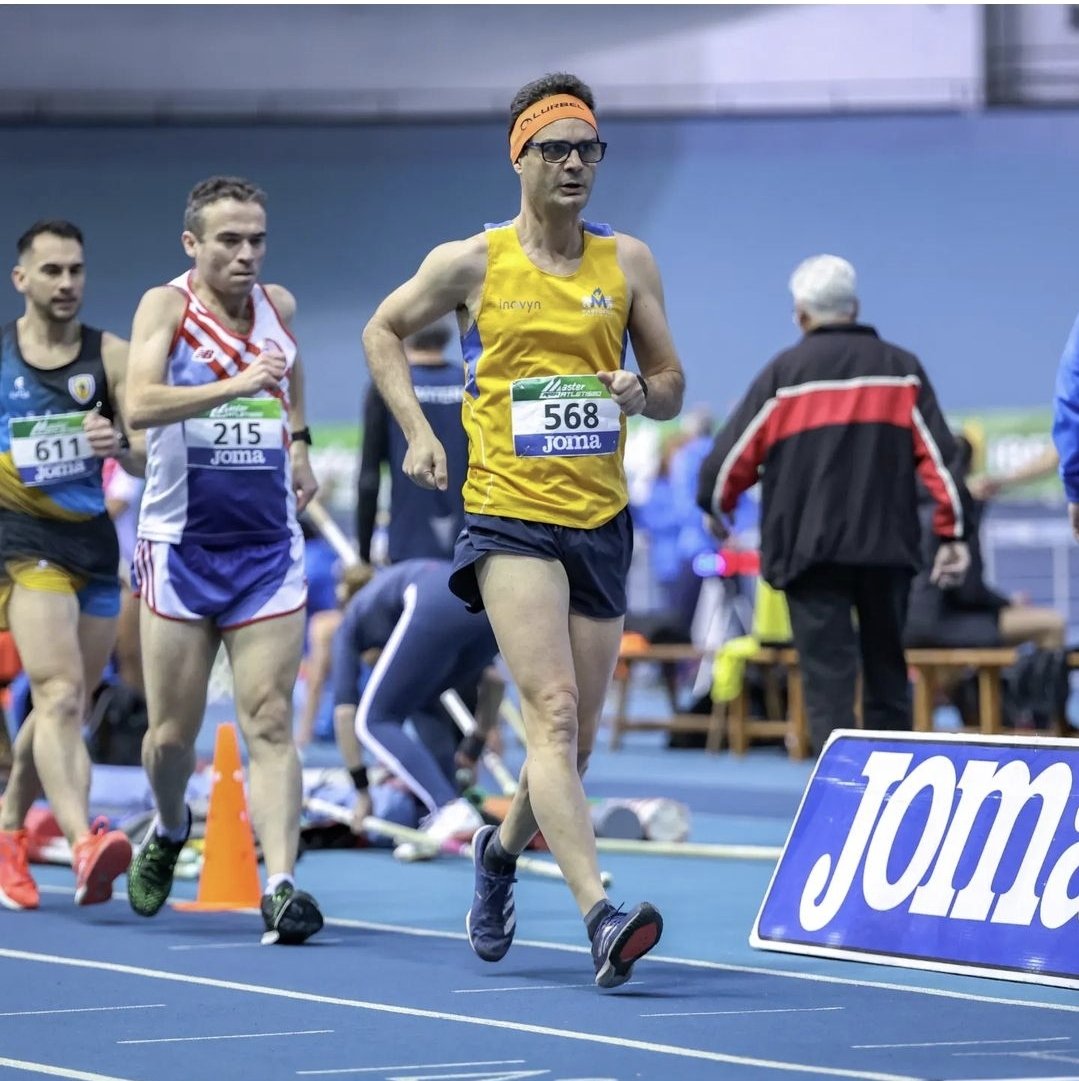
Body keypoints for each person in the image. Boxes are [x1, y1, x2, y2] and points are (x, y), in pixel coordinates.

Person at [362, 72, 685, 989]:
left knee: (572, 751)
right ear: (522, 158)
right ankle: (599, 916)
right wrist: (420, 433)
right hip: (508, 518)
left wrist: (638, 391)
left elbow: (671, 385)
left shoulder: (627, 262)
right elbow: (382, 332)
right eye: (559, 149)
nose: (578, 162)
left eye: (590, 148)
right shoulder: (473, 261)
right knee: (549, 713)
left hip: (598, 519)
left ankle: (498, 853)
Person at [123, 176, 323, 944]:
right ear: (192, 244)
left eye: (256, 239)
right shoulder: (165, 307)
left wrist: (299, 438)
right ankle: (171, 827)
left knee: (269, 717)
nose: (245, 254)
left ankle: (279, 884)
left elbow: (291, 367)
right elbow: (139, 402)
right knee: (170, 738)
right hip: (179, 546)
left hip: (268, 548)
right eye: (229, 240)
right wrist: (236, 384)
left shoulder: (281, 307)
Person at [697, 254, 971, 757]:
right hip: (886, 552)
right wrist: (953, 535)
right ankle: (894, 790)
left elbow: (727, 460)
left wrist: (717, 509)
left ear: (800, 314)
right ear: (856, 307)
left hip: (810, 553)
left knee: (827, 681)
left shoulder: (785, 375)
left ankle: (839, 799)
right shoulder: (902, 371)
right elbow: (943, 459)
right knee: (888, 670)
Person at [0, 219, 142, 911]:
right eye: (51, 271)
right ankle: (86, 839)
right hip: (21, 540)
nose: (66, 283)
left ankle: (5, 830)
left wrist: (118, 439)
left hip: (92, 541)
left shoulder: (111, 355)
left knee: (70, 705)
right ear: (21, 278)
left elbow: (145, 455)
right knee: (54, 693)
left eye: (75, 270)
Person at [330, 559, 497, 845]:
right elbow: (495, 681)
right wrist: (475, 743)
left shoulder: (351, 619)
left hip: (432, 601)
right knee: (421, 700)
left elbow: (345, 715)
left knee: (373, 721)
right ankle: (454, 803)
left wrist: (362, 793)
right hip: (486, 610)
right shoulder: (387, 592)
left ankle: (448, 808)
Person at [906, 436, 1066, 651]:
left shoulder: (912, 505)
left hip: (899, 622)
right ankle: (1037, 686)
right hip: (937, 623)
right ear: (967, 468)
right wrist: (1008, 604)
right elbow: (969, 591)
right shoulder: (959, 511)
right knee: (1051, 625)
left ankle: (960, 685)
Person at [357, 323, 468, 565]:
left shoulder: (388, 389)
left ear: (402, 339)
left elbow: (369, 478)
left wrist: (363, 556)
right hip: (472, 544)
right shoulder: (470, 383)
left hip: (409, 547)